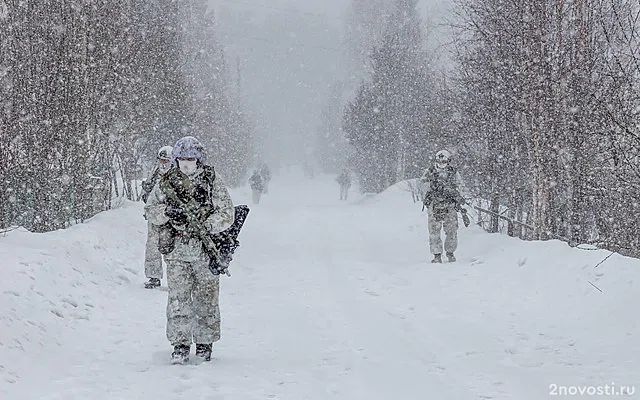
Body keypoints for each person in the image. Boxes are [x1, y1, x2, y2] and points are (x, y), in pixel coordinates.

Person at [144, 136, 235, 364]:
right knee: (178, 300)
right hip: (177, 252)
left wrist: (207, 225)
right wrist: (168, 212)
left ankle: (205, 343)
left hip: (204, 251)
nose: (186, 163)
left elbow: (227, 212)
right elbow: (151, 209)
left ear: (199, 159)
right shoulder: (167, 182)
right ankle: (180, 344)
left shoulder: (211, 180)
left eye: (191, 159)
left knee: (207, 299)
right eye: (182, 158)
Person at [421, 149, 467, 263]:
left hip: (449, 204)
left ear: (448, 161)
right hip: (434, 204)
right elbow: (423, 185)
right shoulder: (430, 172)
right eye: (439, 161)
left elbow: (460, 185)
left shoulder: (453, 172)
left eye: (444, 161)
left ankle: (450, 252)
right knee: (434, 230)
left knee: (452, 229)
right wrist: (430, 194)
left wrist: (458, 197)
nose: (441, 163)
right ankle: (437, 254)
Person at [141, 145, 173, 289]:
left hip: (172, 217)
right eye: (162, 160)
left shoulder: (177, 176)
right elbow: (146, 193)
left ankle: (176, 278)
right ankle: (154, 276)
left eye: (166, 160)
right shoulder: (154, 174)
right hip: (155, 216)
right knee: (152, 247)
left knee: (172, 247)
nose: (163, 163)